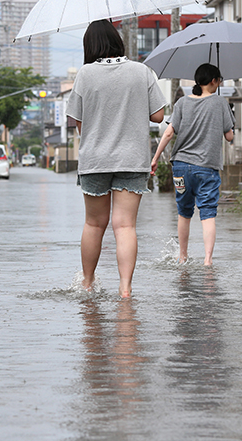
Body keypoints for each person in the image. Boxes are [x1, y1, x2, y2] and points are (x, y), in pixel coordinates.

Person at [66, 19, 166, 298]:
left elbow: (77, 120)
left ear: (90, 46)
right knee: (125, 226)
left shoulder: (85, 75)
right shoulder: (141, 71)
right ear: (118, 41)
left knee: (94, 224)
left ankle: (87, 284)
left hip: (95, 160)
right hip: (132, 158)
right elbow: (158, 116)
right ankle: (125, 290)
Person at [150, 63, 235, 266]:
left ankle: (183, 256)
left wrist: (155, 158)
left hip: (181, 167)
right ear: (214, 81)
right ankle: (207, 259)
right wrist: (228, 117)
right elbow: (230, 136)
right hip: (207, 167)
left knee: (184, 212)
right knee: (207, 213)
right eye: (219, 80)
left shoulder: (181, 103)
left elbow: (169, 133)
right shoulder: (220, 103)